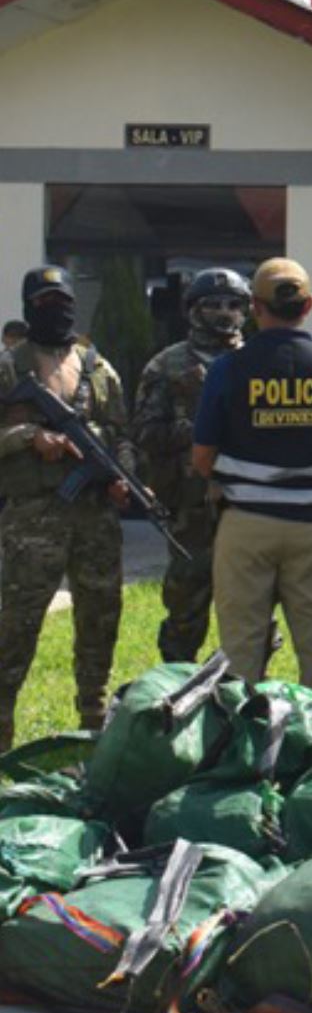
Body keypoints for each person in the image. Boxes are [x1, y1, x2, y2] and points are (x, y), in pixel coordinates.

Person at [193, 258, 312, 687]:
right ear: (310, 305)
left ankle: (242, 743)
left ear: (254, 308)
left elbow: (202, 456)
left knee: (241, 644)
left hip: (246, 524)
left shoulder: (228, 369)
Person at [0, 266, 133, 748]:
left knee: (100, 619)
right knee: (16, 627)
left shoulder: (99, 369)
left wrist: (123, 479)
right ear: (28, 305)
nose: (56, 310)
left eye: (62, 301)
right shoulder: (10, 368)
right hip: (31, 520)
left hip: (95, 518)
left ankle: (92, 732)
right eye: (45, 301)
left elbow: (121, 436)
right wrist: (29, 437)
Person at [133, 268, 252, 663]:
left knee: (252, 607)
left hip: (248, 500)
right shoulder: (166, 367)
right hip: (191, 506)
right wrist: (202, 427)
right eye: (213, 304)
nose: (225, 313)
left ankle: (245, 694)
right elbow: (147, 435)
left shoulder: (257, 360)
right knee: (186, 606)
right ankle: (177, 684)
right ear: (193, 311)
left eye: (234, 305)